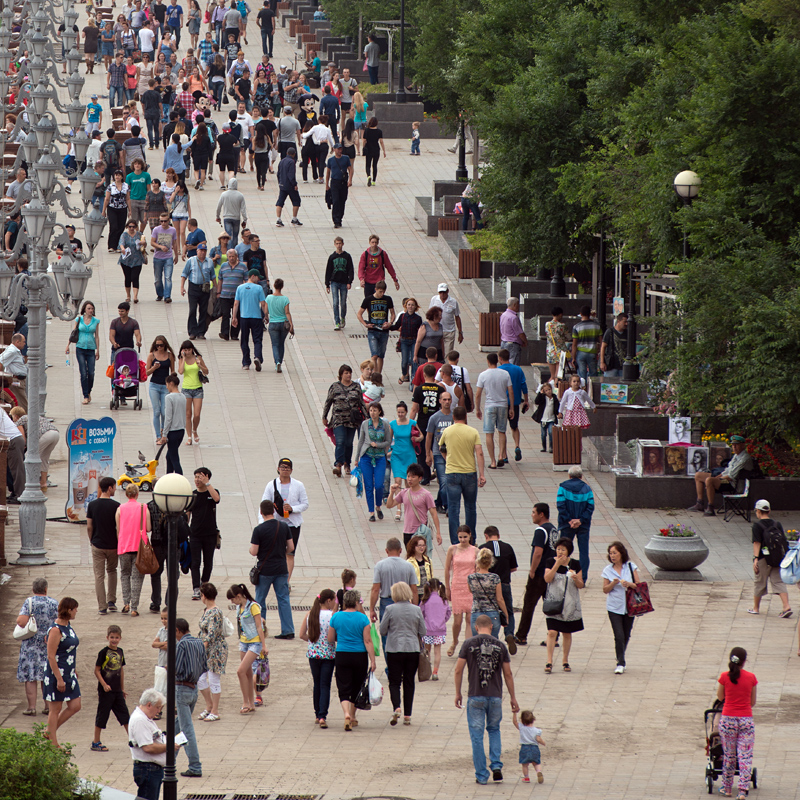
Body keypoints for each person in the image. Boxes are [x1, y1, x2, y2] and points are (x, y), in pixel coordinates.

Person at [454, 613, 519, 785]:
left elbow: (458, 670)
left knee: (477, 736)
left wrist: (458, 692)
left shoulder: (468, 644)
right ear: (491, 627)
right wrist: (513, 697)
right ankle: (496, 765)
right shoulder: (500, 645)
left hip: (475, 695)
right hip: (495, 696)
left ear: (476, 627)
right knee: (494, 730)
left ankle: (482, 775)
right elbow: (508, 673)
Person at [327, 589, 376, 731]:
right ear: (356, 602)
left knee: (343, 686)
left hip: (342, 654)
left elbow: (330, 639)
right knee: (357, 685)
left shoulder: (336, 617)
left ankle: (346, 713)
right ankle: (353, 716)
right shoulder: (362, 618)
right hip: (359, 656)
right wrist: (372, 660)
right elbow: (367, 641)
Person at [380, 581, 426, 726]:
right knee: (409, 681)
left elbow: (382, 630)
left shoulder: (390, 609)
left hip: (394, 649)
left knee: (394, 681)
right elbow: (423, 631)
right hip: (412, 649)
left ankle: (396, 707)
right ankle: (408, 715)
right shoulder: (416, 610)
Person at [438, 407, 485, 544]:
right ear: (465, 416)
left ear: (453, 417)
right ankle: (471, 539)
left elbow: (442, 448)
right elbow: (479, 453)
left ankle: (455, 541)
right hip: (469, 473)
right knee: (470, 507)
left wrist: (448, 460)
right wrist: (481, 474)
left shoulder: (447, 431)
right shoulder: (473, 432)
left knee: (453, 508)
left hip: (452, 473)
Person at [250, 499, 295, 638]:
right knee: (283, 599)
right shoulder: (283, 527)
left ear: (261, 512)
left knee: (260, 601)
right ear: (274, 511)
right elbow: (291, 547)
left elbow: (254, 551)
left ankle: (261, 630)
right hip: (281, 568)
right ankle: (288, 630)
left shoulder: (259, 530)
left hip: (265, 570)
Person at [717, 647, 758, 800]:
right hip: (746, 719)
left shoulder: (724, 677)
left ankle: (727, 788)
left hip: (728, 719)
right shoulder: (751, 678)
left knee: (729, 755)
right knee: (745, 756)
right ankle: (742, 790)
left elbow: (721, 697)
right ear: (744, 661)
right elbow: (752, 702)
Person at [515, 503, 557, 646]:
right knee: (551, 606)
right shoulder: (554, 530)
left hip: (539, 574)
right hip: (551, 573)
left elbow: (538, 553)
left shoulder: (541, 530)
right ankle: (554, 636)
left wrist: (532, 570)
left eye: (534, 512)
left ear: (541, 514)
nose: (532, 515)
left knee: (529, 604)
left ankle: (521, 636)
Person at [261, 458, 309, 584]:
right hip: (276, 524)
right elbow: (265, 503)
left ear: (291, 470)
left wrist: (293, 508)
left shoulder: (298, 485)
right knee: (276, 553)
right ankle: (275, 578)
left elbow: (305, 504)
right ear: (278, 469)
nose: (285, 470)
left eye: (287, 468)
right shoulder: (271, 485)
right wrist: (263, 522)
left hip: (293, 524)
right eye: (282, 467)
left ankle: (285, 582)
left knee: (290, 553)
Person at [43, 597, 82, 749]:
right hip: (56, 674)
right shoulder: (56, 629)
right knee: (55, 708)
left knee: (75, 705)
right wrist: (59, 678)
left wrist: (73, 669)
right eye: (75, 609)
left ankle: (49, 732)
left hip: (69, 672)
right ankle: (53, 744)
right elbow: (51, 656)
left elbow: (69, 649)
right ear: (69, 610)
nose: (76, 611)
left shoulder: (68, 626)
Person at [16, 578, 58, 716]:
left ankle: (31, 707)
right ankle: (47, 706)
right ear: (46, 589)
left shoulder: (29, 602)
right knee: (46, 675)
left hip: (31, 644)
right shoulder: (54, 603)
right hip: (48, 643)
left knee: (31, 676)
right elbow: (59, 623)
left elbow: (21, 622)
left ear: (33, 589)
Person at [542, 537, 585, 674]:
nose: (560, 552)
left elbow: (581, 585)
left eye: (563, 549)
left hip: (569, 604)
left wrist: (575, 577)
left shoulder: (575, 564)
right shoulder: (550, 561)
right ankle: (549, 661)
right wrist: (557, 565)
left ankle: (565, 660)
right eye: (558, 549)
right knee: (552, 631)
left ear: (569, 551)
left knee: (567, 632)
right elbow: (547, 578)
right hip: (554, 602)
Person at [601, 541, 642, 674]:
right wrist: (613, 583)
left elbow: (638, 585)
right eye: (610, 553)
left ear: (621, 553)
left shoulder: (630, 566)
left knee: (626, 634)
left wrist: (628, 584)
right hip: (614, 607)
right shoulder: (608, 570)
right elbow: (605, 589)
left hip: (630, 606)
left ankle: (620, 654)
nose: (612, 556)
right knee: (618, 635)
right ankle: (620, 662)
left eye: (615, 553)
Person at [688, 434, 754, 516]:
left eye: (736, 445)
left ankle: (710, 507)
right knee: (698, 475)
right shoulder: (736, 456)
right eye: (733, 445)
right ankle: (700, 503)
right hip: (727, 480)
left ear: (743, 445)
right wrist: (716, 477)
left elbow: (731, 476)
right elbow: (727, 470)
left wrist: (715, 480)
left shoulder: (744, 458)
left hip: (734, 484)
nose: (734, 447)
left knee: (709, 480)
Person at [174, 617, 207, 777]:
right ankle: (168, 760)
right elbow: (204, 666)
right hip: (194, 688)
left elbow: (177, 667)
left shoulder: (182, 644)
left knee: (186, 729)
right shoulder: (199, 642)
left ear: (178, 631)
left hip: (182, 688)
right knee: (176, 725)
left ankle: (195, 766)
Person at [299, 588, 337, 727]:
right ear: (328, 600)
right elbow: (334, 636)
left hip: (313, 655)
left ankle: (317, 713)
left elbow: (302, 634)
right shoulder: (332, 616)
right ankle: (322, 715)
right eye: (334, 600)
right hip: (328, 655)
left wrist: (313, 640)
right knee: (325, 684)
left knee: (317, 684)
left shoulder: (311, 614)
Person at [129, 688, 175, 800]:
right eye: (158, 707)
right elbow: (148, 747)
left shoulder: (145, 718)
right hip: (147, 769)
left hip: (151, 769)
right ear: (149, 705)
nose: (159, 711)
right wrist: (169, 747)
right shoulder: (140, 720)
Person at [749, 499, 792, 617]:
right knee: (778, 581)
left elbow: (757, 543)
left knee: (759, 582)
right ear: (769, 510)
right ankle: (786, 606)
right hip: (778, 558)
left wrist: (755, 559)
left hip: (764, 558)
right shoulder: (777, 524)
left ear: (758, 511)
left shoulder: (757, 526)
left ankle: (756, 608)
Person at [323, 364, 368, 477]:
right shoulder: (335, 386)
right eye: (346, 373)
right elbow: (328, 402)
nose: (348, 375)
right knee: (340, 441)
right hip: (338, 419)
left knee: (348, 443)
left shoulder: (356, 386)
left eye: (349, 373)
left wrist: (367, 417)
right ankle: (338, 464)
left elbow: (361, 403)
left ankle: (347, 463)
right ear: (341, 375)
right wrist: (324, 416)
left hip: (352, 420)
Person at [92, 624, 130, 752]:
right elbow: (97, 671)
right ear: (107, 637)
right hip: (106, 691)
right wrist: (104, 684)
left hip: (117, 690)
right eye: (112, 637)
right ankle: (96, 741)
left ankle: (133, 740)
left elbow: (121, 670)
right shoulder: (103, 652)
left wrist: (122, 688)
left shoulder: (120, 651)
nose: (114, 640)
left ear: (120, 638)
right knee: (102, 715)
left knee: (125, 715)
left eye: (117, 637)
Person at [115, 483, 152, 616]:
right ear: (137, 494)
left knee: (125, 575)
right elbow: (148, 528)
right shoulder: (143, 508)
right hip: (139, 548)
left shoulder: (120, 509)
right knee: (137, 577)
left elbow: (118, 530)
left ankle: (126, 602)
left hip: (124, 546)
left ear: (126, 494)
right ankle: (134, 607)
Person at [87, 477, 121, 615]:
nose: (115, 489)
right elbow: (119, 527)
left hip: (98, 544)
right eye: (115, 486)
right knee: (112, 571)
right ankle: (111, 601)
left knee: (99, 576)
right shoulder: (117, 506)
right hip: (113, 545)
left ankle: (102, 606)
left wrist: (92, 540)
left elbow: (89, 526)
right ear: (110, 487)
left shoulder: (92, 505)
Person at [475, 353, 514, 470]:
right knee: (502, 431)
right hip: (503, 405)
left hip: (489, 406)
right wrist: (511, 407)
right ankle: (501, 455)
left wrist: (477, 408)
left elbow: (478, 394)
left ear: (488, 361)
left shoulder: (483, 375)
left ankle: (492, 461)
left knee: (489, 433)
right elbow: (510, 392)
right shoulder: (505, 374)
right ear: (498, 361)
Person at [444, 526, 479, 656]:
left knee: (470, 619)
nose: (463, 539)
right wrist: (447, 587)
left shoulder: (475, 550)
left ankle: (467, 646)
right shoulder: (452, 549)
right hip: (457, 586)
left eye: (465, 537)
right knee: (457, 620)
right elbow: (447, 569)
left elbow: (478, 569)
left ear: (470, 536)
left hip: (470, 587)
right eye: (460, 537)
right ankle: (454, 641)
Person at [387, 463, 441, 547]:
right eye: (408, 476)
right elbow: (389, 505)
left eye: (413, 477)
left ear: (420, 478)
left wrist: (438, 532)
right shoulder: (404, 492)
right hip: (407, 531)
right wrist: (392, 492)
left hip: (420, 532)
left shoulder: (426, 494)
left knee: (419, 558)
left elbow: (434, 514)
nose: (410, 479)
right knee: (410, 559)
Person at [355, 402, 393, 522]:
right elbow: (361, 441)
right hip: (366, 457)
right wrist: (356, 458)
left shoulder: (385, 424)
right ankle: (371, 512)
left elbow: (388, 441)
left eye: (375, 410)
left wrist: (378, 445)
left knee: (379, 484)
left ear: (379, 412)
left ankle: (378, 506)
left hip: (380, 457)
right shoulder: (365, 424)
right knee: (369, 485)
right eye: (371, 410)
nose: (372, 412)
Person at [483, 526, 518, 653]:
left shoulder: (483, 548)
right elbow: (514, 568)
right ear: (498, 535)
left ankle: (493, 637)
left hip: (488, 584)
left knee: (490, 611)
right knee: (508, 610)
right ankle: (509, 633)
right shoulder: (507, 547)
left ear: (486, 536)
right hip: (504, 584)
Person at [556, 465, 594, 582]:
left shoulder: (563, 488)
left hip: (566, 525)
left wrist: (570, 520)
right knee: (583, 552)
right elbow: (590, 507)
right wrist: (580, 520)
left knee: (563, 550)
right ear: (581, 476)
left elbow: (560, 505)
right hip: (583, 525)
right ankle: (582, 577)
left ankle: (561, 574)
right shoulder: (587, 489)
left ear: (569, 475)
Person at [197, 582, 228, 722]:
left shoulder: (215, 612)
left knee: (214, 679)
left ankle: (215, 710)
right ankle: (209, 706)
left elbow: (212, 634)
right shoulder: (207, 610)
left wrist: (202, 647)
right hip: (207, 649)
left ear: (204, 596)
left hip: (215, 650)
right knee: (200, 678)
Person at [188, 468, 220, 600]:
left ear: (206, 478)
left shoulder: (212, 492)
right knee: (195, 562)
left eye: (199, 477)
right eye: (195, 477)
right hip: (195, 533)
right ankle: (196, 587)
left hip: (210, 533)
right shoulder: (192, 495)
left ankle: (204, 583)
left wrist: (207, 484)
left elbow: (216, 499)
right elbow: (187, 513)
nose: (196, 480)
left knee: (208, 562)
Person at [498, 348, 529, 463]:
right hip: (515, 403)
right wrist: (526, 400)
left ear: (500, 358)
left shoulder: (498, 370)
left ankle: (504, 454)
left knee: (502, 429)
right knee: (514, 426)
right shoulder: (518, 369)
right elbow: (523, 385)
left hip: (501, 403)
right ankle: (517, 446)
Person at [232, 269, 267, 370]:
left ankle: (246, 362)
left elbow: (236, 304)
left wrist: (234, 317)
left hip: (244, 317)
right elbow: (263, 303)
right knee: (257, 339)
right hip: (256, 317)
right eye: (257, 277)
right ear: (252, 276)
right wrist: (266, 315)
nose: (259, 279)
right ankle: (257, 357)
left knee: (244, 340)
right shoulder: (259, 288)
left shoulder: (240, 288)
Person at [180, 244, 216, 341]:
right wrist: (182, 287)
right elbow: (184, 274)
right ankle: (192, 331)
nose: (203, 252)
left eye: (204, 250)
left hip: (205, 288)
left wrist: (216, 289)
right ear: (197, 251)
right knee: (192, 310)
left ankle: (201, 332)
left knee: (203, 310)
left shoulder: (209, 262)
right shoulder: (191, 261)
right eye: (201, 250)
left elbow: (213, 276)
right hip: (193, 288)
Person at [178, 340, 209, 443]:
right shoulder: (182, 359)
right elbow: (181, 371)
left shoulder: (198, 358)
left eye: (189, 350)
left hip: (198, 389)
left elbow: (206, 371)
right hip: (186, 389)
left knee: (197, 414)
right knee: (188, 414)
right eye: (185, 350)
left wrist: (200, 365)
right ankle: (189, 436)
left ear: (192, 349)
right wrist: (183, 358)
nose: (187, 352)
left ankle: (194, 430)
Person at [420, 578, 450, 681]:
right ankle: (435, 672)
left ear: (428, 587)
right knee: (438, 651)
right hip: (440, 629)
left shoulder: (425, 600)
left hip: (428, 629)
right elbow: (448, 613)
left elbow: (421, 614)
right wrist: (443, 621)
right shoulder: (443, 600)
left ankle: (427, 669)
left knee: (427, 650)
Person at [158, 373, 186, 473]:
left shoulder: (169, 397)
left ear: (170, 383)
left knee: (174, 458)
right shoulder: (183, 396)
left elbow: (168, 417)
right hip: (181, 430)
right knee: (169, 456)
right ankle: (168, 476)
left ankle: (180, 479)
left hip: (173, 431)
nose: (166, 387)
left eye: (166, 384)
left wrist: (164, 434)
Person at [217, 249, 248, 341]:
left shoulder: (242, 267)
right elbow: (220, 280)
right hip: (225, 295)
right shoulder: (223, 266)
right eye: (229, 257)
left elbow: (246, 280)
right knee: (225, 314)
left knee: (237, 315)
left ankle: (234, 334)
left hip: (237, 296)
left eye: (233, 256)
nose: (231, 258)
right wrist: (218, 292)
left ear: (236, 256)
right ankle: (225, 333)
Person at [325, 236, 354, 330]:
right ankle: (336, 321)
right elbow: (328, 270)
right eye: (337, 243)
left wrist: (350, 281)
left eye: (340, 243)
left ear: (343, 244)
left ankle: (342, 317)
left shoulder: (347, 256)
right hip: (334, 282)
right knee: (335, 302)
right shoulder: (332, 257)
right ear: (334, 244)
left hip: (344, 282)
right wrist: (327, 284)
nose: (338, 245)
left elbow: (350, 269)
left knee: (343, 302)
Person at [392, 297, 423, 384]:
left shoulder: (418, 318)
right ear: (406, 306)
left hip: (414, 341)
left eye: (412, 305)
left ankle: (414, 379)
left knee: (414, 361)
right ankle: (404, 373)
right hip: (404, 341)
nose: (410, 306)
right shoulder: (402, 316)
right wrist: (388, 326)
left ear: (415, 307)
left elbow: (420, 330)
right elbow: (396, 326)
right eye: (409, 305)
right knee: (404, 362)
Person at [266, 278, 294, 372]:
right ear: (282, 287)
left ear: (274, 286)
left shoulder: (269, 298)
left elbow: (266, 311)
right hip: (283, 324)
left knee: (275, 344)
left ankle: (277, 362)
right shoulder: (285, 299)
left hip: (273, 323)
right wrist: (291, 325)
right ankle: (280, 363)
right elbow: (287, 313)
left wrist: (266, 318)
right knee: (281, 344)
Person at [151, 212, 179, 302]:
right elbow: (152, 242)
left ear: (169, 221)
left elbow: (174, 243)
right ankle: (160, 294)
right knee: (158, 279)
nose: (163, 223)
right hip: (158, 257)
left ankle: (167, 296)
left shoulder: (172, 230)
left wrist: (176, 255)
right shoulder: (156, 230)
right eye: (161, 221)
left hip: (168, 257)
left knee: (168, 277)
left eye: (165, 221)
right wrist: (160, 247)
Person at [429, 283, 463, 356]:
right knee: (436, 353)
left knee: (447, 354)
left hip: (449, 331)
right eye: (440, 292)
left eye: (444, 292)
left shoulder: (453, 302)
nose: (442, 294)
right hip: (437, 330)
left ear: (448, 291)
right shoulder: (434, 299)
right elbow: (430, 316)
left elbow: (457, 317)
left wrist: (460, 332)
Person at [512, 710, 546, 784]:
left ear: (522, 720)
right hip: (534, 748)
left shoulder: (521, 727)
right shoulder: (537, 730)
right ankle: (539, 772)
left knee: (525, 764)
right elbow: (538, 739)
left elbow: (515, 722)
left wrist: (514, 713)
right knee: (536, 762)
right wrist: (543, 742)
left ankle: (526, 777)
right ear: (533, 720)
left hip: (524, 748)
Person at [325, 141, 353, 228]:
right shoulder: (330, 160)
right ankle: (336, 220)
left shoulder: (346, 158)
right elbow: (328, 173)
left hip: (343, 183)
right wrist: (327, 184)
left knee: (342, 201)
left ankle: (340, 217)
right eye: (338, 149)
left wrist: (350, 180)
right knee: (336, 201)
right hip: (334, 183)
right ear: (334, 150)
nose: (340, 151)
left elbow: (350, 169)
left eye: (341, 149)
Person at [570, 305, 602, 381]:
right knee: (593, 374)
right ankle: (592, 390)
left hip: (581, 353)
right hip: (593, 353)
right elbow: (601, 341)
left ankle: (582, 389)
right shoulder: (597, 326)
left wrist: (573, 357)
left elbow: (574, 344)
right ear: (590, 314)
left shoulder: (576, 327)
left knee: (581, 374)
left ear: (581, 314)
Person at [119, 219, 147, 303]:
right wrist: (123, 249)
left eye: (133, 227)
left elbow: (145, 245)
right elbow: (121, 243)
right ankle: (128, 295)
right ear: (127, 227)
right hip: (126, 260)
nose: (131, 228)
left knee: (135, 277)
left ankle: (135, 296)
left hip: (137, 259)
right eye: (130, 227)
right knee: (127, 277)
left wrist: (143, 243)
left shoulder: (139, 234)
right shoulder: (124, 235)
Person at [103, 170, 132, 253]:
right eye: (116, 175)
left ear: (122, 177)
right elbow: (107, 199)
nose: (117, 177)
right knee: (114, 226)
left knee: (121, 227)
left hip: (122, 208)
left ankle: (119, 245)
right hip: (112, 208)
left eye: (119, 175)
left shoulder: (126, 186)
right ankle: (111, 245)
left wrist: (130, 210)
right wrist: (103, 210)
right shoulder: (110, 186)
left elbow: (128, 198)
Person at [215, 177, 248, 247]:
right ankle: (235, 249)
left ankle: (229, 250)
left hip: (227, 218)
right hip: (236, 218)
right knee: (235, 235)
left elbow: (219, 206)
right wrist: (245, 220)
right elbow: (243, 209)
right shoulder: (240, 195)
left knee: (228, 235)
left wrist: (217, 216)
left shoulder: (224, 194)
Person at [275, 146, 303, 226]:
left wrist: (280, 182)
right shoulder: (291, 162)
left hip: (282, 185)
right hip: (290, 186)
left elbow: (278, 173)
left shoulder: (282, 161)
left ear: (287, 153)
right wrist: (294, 184)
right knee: (296, 201)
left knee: (280, 202)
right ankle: (294, 218)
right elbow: (291, 175)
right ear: (294, 154)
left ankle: (278, 219)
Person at [499, 297, 527, 365]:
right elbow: (520, 333)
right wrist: (525, 341)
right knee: (513, 365)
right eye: (518, 304)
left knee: (504, 364)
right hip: (512, 345)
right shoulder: (513, 318)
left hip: (504, 342)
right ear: (514, 305)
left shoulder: (503, 315)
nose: (518, 306)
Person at [405, 534, 434, 600]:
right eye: (419, 545)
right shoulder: (409, 562)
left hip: (427, 593)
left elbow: (431, 576)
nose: (422, 547)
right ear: (414, 547)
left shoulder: (428, 560)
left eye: (423, 545)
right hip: (415, 594)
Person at [532, 382, 558, 453]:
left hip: (551, 419)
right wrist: (540, 393)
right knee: (543, 434)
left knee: (551, 432)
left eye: (549, 389)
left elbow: (556, 407)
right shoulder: (543, 398)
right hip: (543, 419)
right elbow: (536, 402)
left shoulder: (554, 398)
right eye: (546, 390)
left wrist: (558, 413)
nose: (548, 391)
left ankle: (551, 447)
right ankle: (544, 446)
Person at [600, 313, 628, 377]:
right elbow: (603, 347)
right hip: (611, 365)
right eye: (625, 322)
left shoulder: (627, 333)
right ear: (618, 321)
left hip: (623, 366)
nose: (626, 324)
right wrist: (602, 362)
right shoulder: (610, 332)